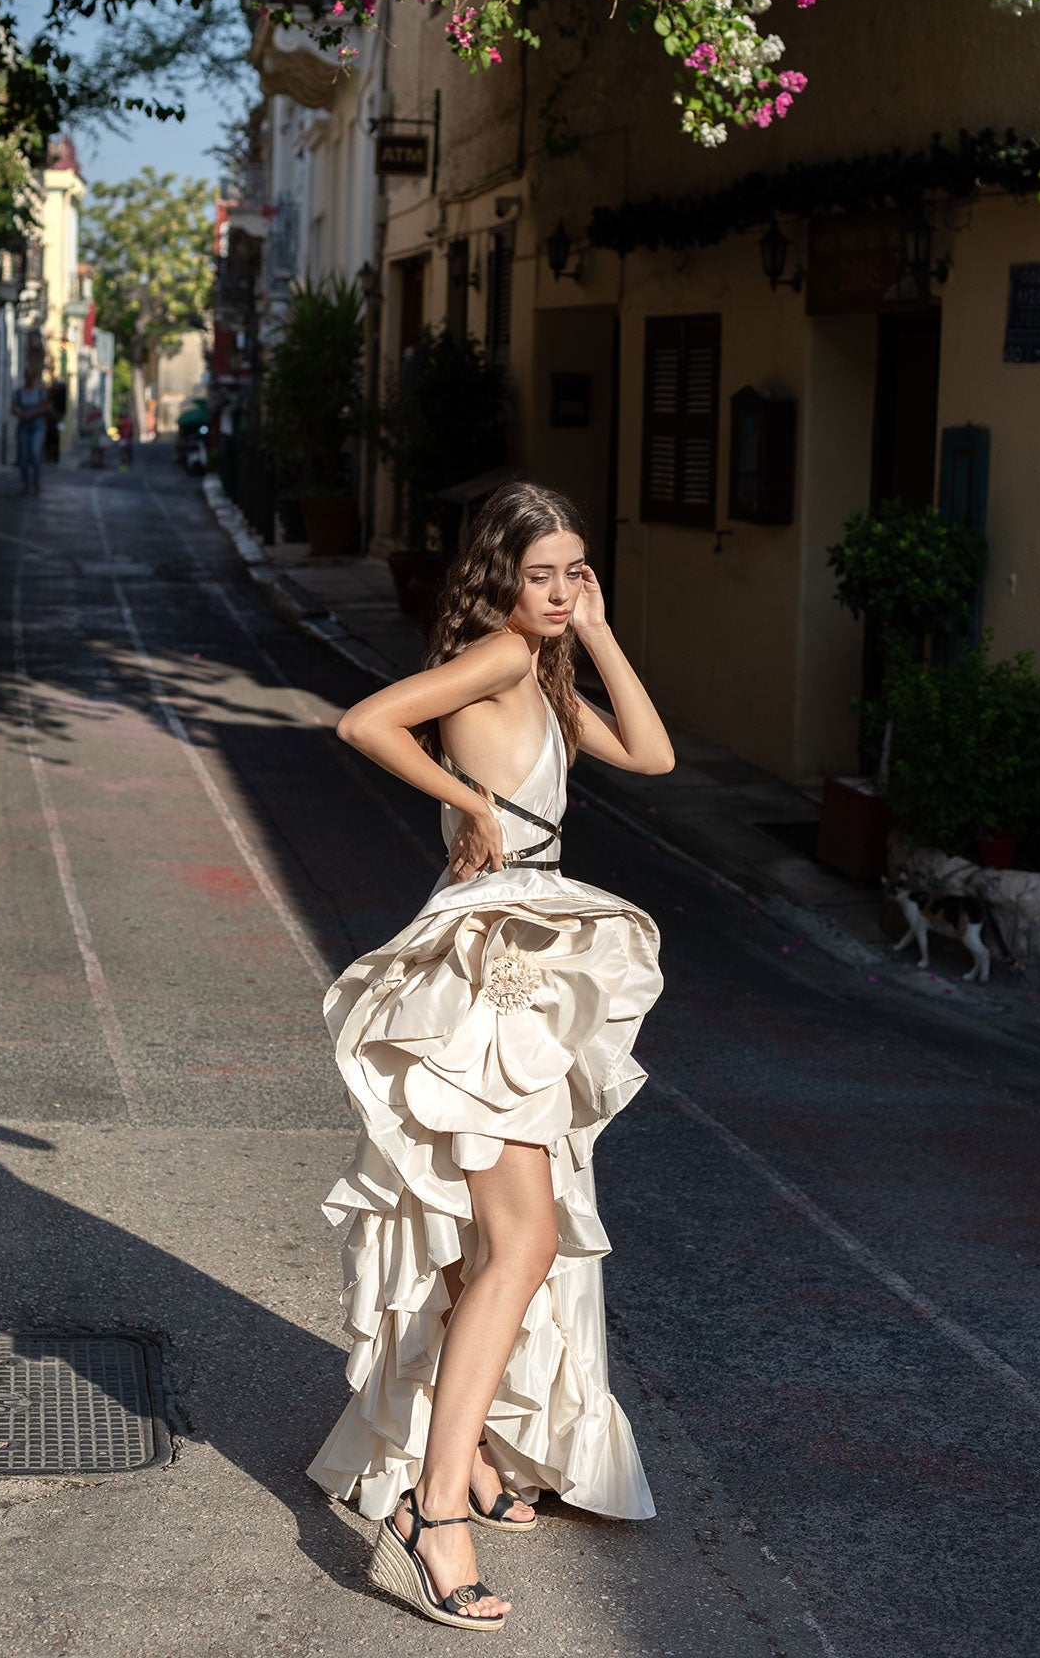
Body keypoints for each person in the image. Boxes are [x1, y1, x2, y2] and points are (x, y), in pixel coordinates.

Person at [307, 481, 674, 1630]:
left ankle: (455, 1469)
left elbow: (654, 757)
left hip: (521, 947)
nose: (562, 591)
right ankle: (432, 1510)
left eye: (577, 571)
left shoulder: (544, 665)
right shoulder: (498, 658)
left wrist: (601, 633)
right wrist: (467, 798)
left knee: (498, 1239)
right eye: (544, 574)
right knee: (526, 1236)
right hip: (493, 958)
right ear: (501, 577)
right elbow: (364, 721)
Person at [12, 364, 49, 494]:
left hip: (37, 425)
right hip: (24, 425)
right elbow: (14, 407)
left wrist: (33, 413)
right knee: (24, 455)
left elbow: (45, 407)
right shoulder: (18, 392)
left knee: (35, 452)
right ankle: (26, 481)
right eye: (27, 376)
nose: (29, 378)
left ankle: (36, 479)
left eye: (31, 376)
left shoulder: (40, 392)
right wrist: (21, 413)